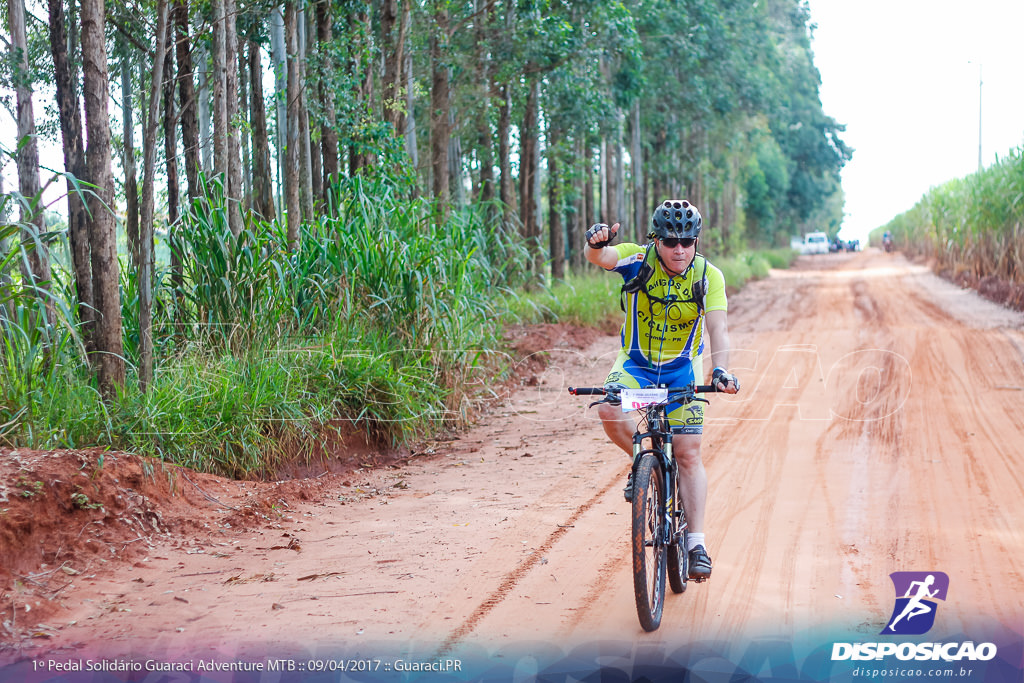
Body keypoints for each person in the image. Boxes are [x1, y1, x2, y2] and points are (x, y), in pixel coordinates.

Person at [584, 199, 740, 580]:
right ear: (656, 240)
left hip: (681, 370)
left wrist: (720, 369)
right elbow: (600, 258)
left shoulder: (708, 276)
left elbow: (718, 328)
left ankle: (696, 543)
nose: (680, 250)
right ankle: (643, 464)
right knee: (608, 408)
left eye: (687, 241)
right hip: (635, 365)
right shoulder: (637, 260)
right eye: (671, 242)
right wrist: (595, 241)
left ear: (696, 241)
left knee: (687, 454)